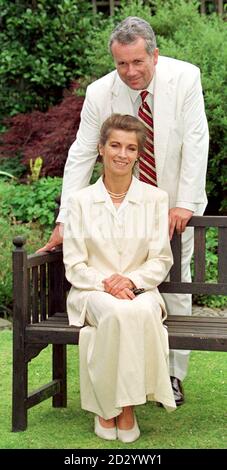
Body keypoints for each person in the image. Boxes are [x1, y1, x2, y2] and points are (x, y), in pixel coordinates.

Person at [38, 16, 209, 405]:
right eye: (121, 64)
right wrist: (65, 218)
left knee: (174, 281)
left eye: (137, 63)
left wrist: (183, 202)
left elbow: (197, 141)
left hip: (170, 204)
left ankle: (171, 375)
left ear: (155, 55)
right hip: (121, 204)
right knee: (121, 282)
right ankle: (126, 376)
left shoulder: (185, 78)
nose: (130, 73)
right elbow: (82, 151)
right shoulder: (100, 92)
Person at [63, 113, 176, 443]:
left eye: (130, 148)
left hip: (140, 290)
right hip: (91, 291)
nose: (121, 154)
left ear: (138, 154)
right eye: (115, 145)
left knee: (138, 311)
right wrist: (107, 283)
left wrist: (130, 282)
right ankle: (118, 409)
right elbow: (75, 264)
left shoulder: (155, 199)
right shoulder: (79, 201)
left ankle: (115, 406)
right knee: (116, 312)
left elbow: (160, 259)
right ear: (101, 148)